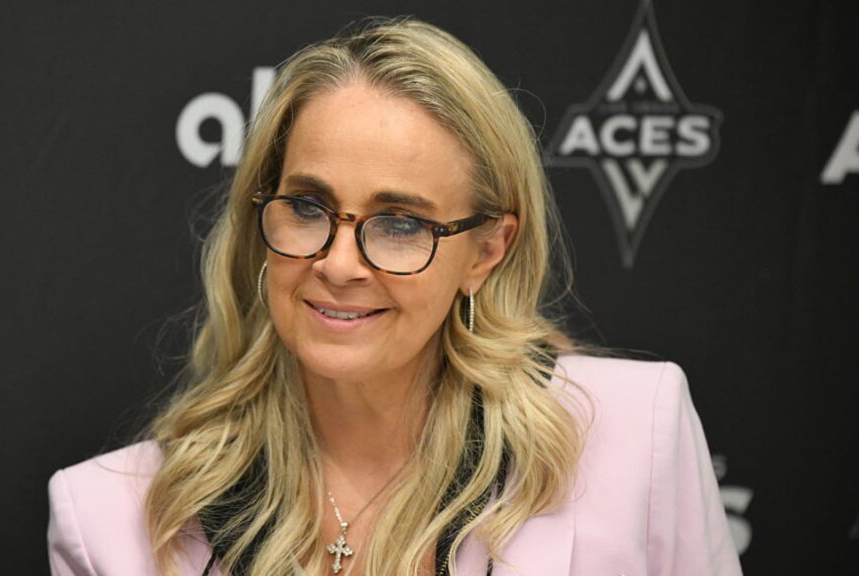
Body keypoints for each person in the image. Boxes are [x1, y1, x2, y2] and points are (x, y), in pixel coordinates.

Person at [47, 17, 742, 576]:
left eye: (401, 223)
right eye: (308, 207)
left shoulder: (635, 432)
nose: (339, 264)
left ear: (487, 251)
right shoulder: (109, 515)